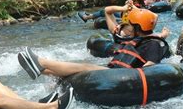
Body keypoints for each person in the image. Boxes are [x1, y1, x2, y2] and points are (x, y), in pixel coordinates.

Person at [18, 8, 170, 80]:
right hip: (114, 71)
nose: (127, 26)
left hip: (120, 76)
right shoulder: (135, 41)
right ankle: (41, 69)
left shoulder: (153, 44)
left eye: (131, 24)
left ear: (137, 27)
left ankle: (40, 62)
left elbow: (150, 68)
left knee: (85, 66)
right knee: (79, 71)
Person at [78, 0, 147, 23]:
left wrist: (128, 5)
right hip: (123, 16)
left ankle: (86, 17)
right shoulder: (141, 4)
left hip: (124, 18)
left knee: (104, 11)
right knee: (105, 11)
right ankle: (91, 16)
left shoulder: (133, 5)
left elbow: (125, 13)